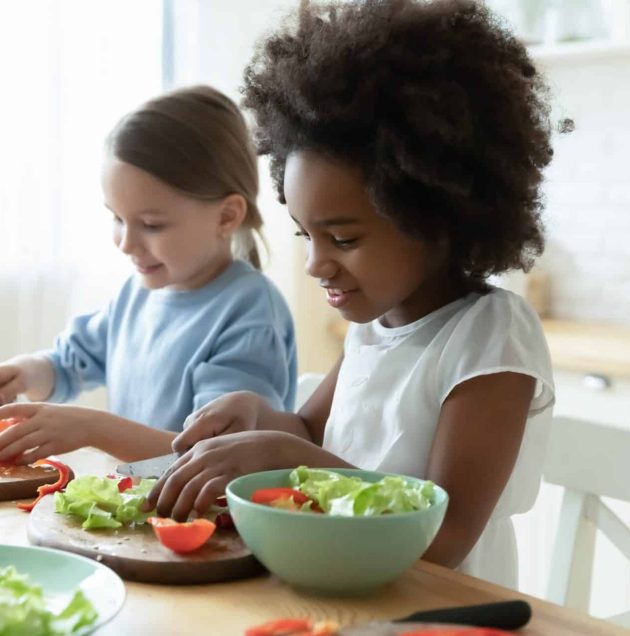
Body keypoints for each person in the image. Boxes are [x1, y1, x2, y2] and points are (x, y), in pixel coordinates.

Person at [145, 0, 560, 588]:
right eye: (305, 235)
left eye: (341, 237)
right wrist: (263, 419)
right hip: (347, 594)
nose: (317, 263)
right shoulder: (376, 324)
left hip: (442, 612)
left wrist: (289, 459)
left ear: (436, 215)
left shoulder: (489, 335)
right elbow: (311, 435)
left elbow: (442, 536)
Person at [0, 85, 297, 463]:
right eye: (117, 218)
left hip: (205, 519)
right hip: (137, 510)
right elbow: (68, 362)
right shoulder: (136, 294)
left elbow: (215, 456)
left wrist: (91, 428)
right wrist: (24, 374)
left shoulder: (249, 313)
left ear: (226, 216)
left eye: (151, 225)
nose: (126, 243)